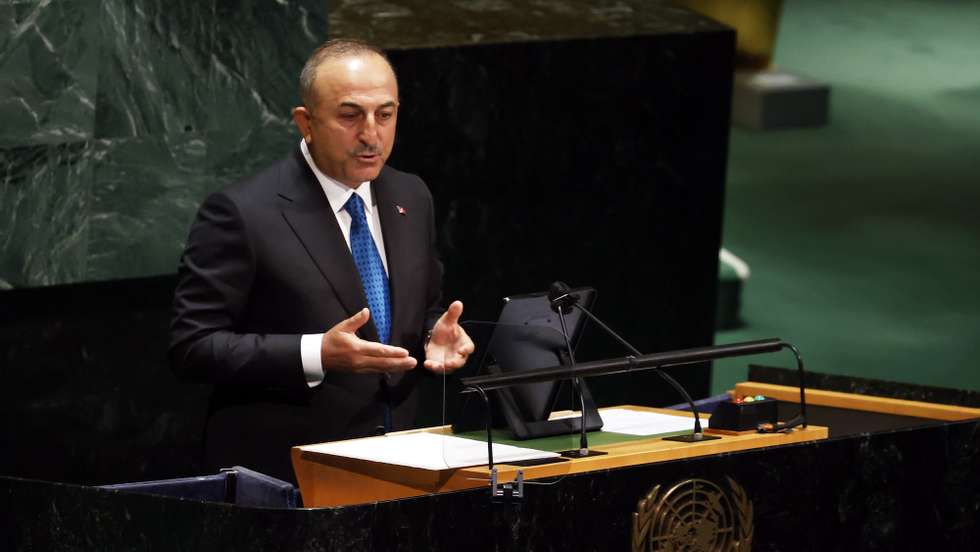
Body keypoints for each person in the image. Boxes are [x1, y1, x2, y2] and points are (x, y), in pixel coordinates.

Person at [169, 39, 474, 483]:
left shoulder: (411, 195)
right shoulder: (242, 212)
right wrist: (316, 353)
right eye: (350, 116)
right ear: (305, 122)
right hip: (291, 477)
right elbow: (191, 347)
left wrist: (433, 334)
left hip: (406, 464)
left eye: (385, 115)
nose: (371, 134)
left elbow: (420, 307)